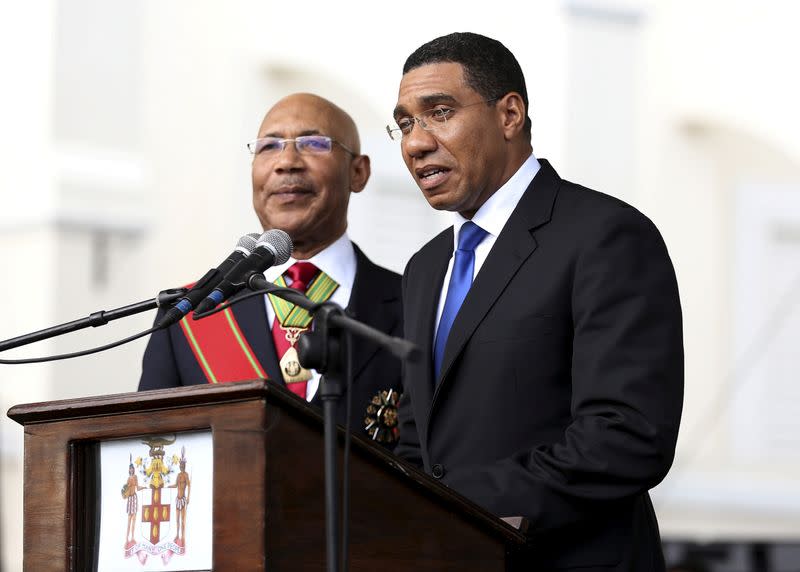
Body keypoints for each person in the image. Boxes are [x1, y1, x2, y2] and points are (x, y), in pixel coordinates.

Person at [390, 32, 683, 570]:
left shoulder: (605, 235)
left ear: (510, 114)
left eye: (439, 113)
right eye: (406, 123)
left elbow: (627, 436)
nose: (415, 143)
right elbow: (418, 444)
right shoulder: (424, 269)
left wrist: (455, 505)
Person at [139, 93, 403, 446]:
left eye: (313, 143)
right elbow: (153, 454)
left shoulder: (414, 304)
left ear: (358, 172)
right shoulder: (190, 315)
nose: (287, 162)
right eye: (269, 146)